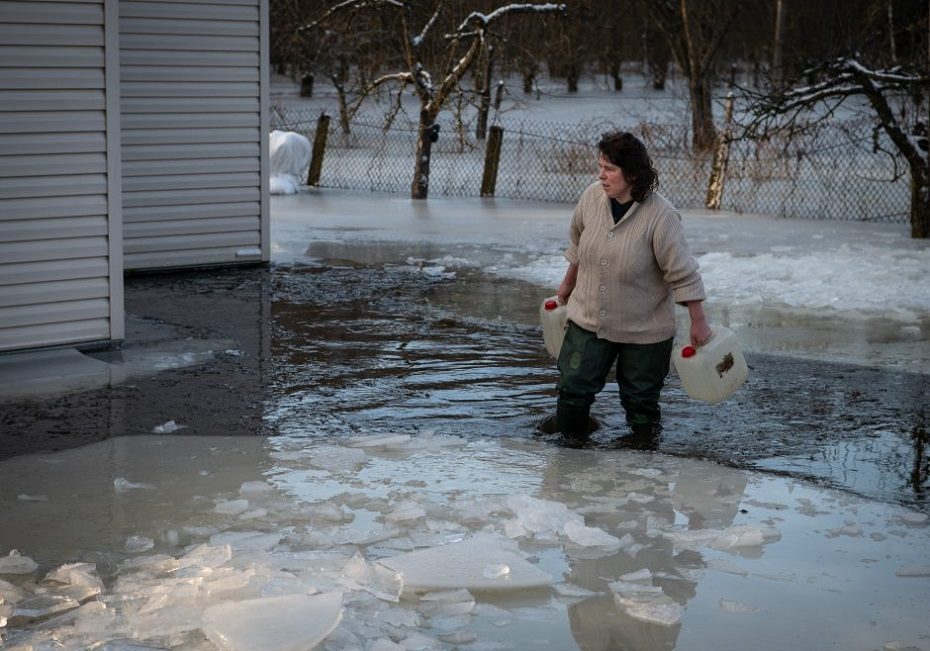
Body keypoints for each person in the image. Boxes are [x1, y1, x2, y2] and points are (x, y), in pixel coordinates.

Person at [550, 131, 711, 447]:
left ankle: (643, 451)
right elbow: (579, 242)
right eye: (600, 166)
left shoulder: (661, 216)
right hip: (589, 316)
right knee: (574, 387)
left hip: (645, 328)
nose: (601, 175)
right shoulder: (592, 197)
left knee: (641, 401)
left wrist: (698, 320)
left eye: (609, 169)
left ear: (633, 174)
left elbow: (683, 273)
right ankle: (569, 448)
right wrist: (568, 281)